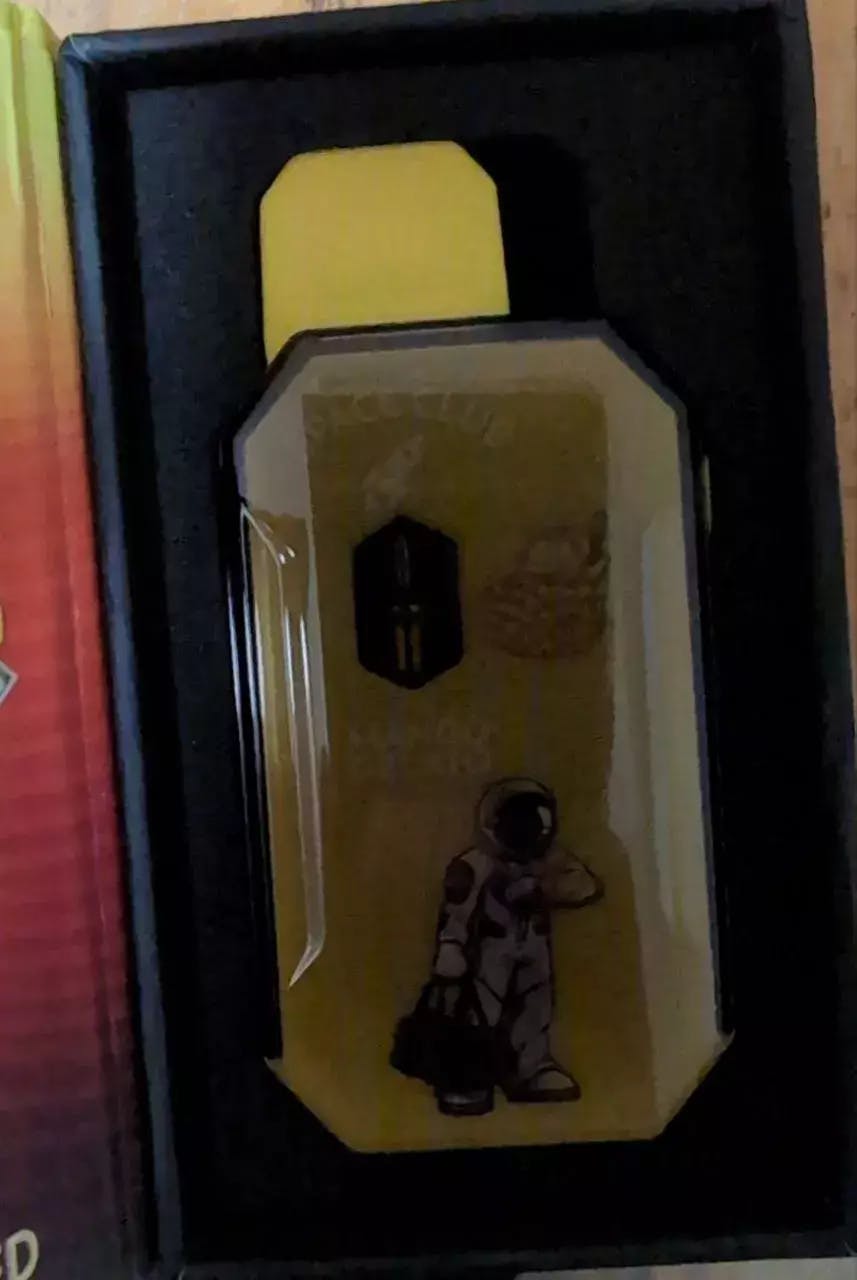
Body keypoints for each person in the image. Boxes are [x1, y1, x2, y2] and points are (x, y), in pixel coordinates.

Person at [392, 777, 603, 1116]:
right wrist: (451, 946)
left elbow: (585, 887)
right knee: (479, 1013)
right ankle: (467, 1078)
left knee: (534, 1006)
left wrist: (542, 888)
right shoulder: (475, 864)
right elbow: (457, 910)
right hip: (488, 951)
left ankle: (530, 1067)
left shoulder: (550, 861)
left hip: (533, 949)